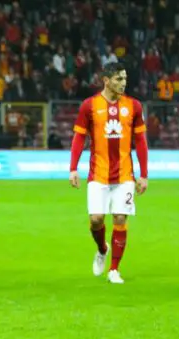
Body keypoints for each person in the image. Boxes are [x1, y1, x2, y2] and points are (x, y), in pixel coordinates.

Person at [69, 62, 149, 284]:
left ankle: (114, 269)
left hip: (125, 175)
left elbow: (140, 141)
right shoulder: (89, 105)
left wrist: (144, 174)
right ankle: (102, 248)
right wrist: (73, 168)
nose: (123, 83)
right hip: (98, 173)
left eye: (125, 79)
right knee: (96, 220)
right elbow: (79, 137)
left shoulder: (134, 106)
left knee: (120, 218)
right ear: (106, 80)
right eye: (118, 79)